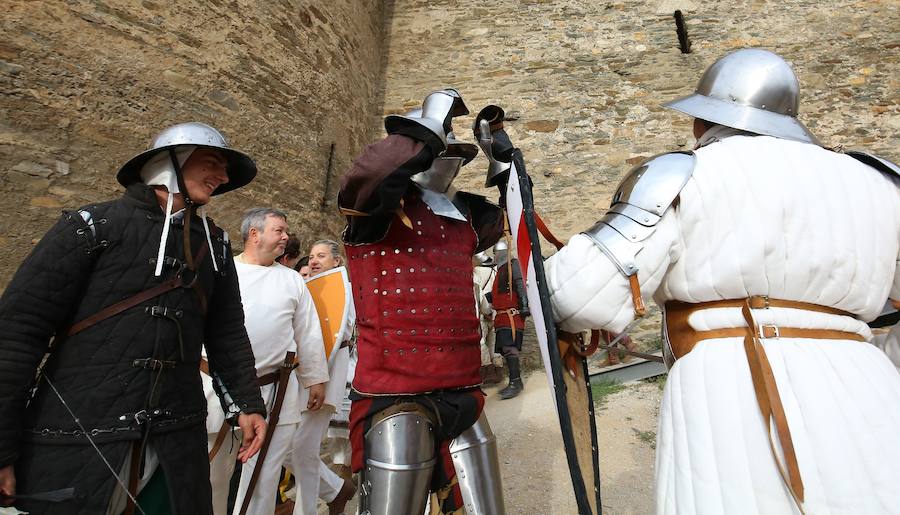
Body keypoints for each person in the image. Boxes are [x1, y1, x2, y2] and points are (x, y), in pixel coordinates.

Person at [544, 48, 900, 514]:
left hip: (730, 387)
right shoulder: (878, 182)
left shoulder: (684, 173)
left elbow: (577, 296)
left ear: (702, 121)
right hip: (869, 387)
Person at [0, 122, 267, 514]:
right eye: (212, 162)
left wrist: (247, 403)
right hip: (80, 432)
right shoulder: (92, 227)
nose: (224, 177)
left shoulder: (216, 246)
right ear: (170, 161)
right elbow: (17, 334)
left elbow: (226, 332)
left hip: (176, 439)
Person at [338, 89, 509, 515]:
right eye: (436, 147)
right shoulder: (374, 210)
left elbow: (515, 220)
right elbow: (373, 172)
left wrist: (503, 165)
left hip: (464, 391)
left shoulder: (468, 216)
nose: (448, 158)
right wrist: (433, 117)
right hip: (397, 393)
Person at [228, 208, 330, 515]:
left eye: (286, 231)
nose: (286, 236)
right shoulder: (224, 273)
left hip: (274, 390)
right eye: (279, 230)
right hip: (219, 388)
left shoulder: (292, 281)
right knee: (212, 475)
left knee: (264, 478)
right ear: (254, 234)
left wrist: (316, 379)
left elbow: (308, 333)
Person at [280, 239, 356, 515]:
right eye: (311, 256)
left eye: (321, 256)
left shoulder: (344, 290)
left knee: (302, 448)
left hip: (328, 372)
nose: (313, 260)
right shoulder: (306, 289)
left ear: (337, 261)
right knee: (287, 446)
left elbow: (334, 336)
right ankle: (337, 489)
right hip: (299, 376)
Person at [489, 240, 530, 399]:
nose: (495, 256)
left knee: (510, 348)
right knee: (506, 350)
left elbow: (520, 285)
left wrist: (525, 306)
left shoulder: (513, 265)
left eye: (496, 253)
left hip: (511, 316)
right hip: (502, 317)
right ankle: (514, 381)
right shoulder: (500, 271)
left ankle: (516, 383)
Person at [473, 251, 502, 384]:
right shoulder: (497, 270)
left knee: (482, 342)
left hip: (482, 313)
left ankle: (488, 371)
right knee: (494, 343)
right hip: (495, 310)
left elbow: (480, 297)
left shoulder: (476, 273)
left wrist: (484, 311)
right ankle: (498, 370)